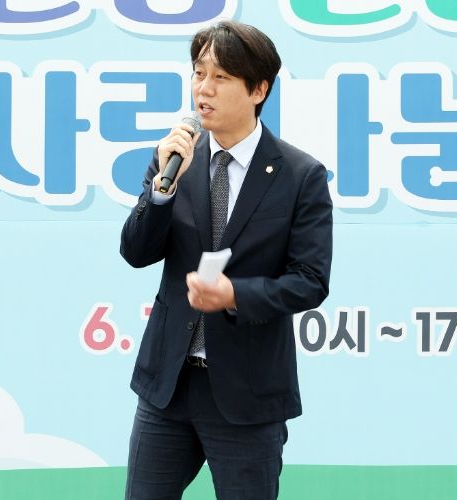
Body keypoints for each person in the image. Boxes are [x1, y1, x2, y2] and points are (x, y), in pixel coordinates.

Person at [120, 20, 332, 500]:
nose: (204, 89)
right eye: (199, 73)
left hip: (246, 392)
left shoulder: (300, 176)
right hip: (168, 386)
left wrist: (235, 294)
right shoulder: (175, 157)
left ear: (258, 90)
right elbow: (135, 251)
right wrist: (160, 193)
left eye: (221, 77)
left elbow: (310, 280)